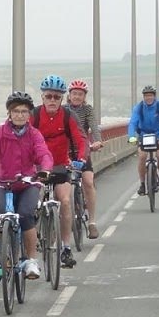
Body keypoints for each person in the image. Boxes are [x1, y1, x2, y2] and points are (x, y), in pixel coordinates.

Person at [0, 91, 53, 279]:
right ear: (9, 113)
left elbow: (43, 153)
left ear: (29, 114)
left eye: (24, 111)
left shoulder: (34, 134)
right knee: (0, 214)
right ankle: (1, 248)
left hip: (27, 182)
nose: (20, 115)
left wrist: (45, 169)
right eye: (16, 111)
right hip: (2, 181)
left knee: (25, 216)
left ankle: (31, 260)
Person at [33, 75, 88, 269]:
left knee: (65, 201)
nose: (52, 101)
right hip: (38, 167)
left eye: (57, 97)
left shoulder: (67, 116)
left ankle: (65, 247)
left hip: (60, 166)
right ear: (42, 97)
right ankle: (33, 244)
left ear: (62, 99)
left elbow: (80, 139)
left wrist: (81, 159)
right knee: (32, 202)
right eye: (49, 96)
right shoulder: (35, 115)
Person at [64, 79, 103, 239]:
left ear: (84, 96)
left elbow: (93, 126)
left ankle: (92, 222)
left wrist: (97, 141)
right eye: (74, 94)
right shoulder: (63, 110)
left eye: (80, 94)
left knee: (87, 182)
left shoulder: (87, 110)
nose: (77, 97)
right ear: (69, 95)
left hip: (83, 150)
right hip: (64, 152)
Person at [126, 85, 159, 195]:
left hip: (158, 135)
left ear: (154, 96)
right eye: (146, 96)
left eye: (151, 95)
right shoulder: (139, 108)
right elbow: (133, 123)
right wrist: (131, 136)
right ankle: (142, 184)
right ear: (143, 97)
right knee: (142, 157)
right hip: (143, 135)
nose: (148, 98)